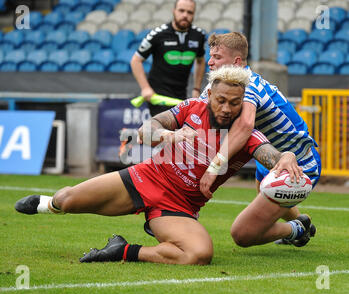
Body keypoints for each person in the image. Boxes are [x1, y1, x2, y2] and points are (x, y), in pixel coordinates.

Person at [14, 66, 311, 266]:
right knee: (67, 201)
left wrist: (283, 157)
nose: (226, 108)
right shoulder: (190, 108)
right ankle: (46, 204)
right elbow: (146, 130)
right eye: (221, 100)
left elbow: (268, 153)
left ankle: (123, 250)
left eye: (234, 103)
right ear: (209, 95)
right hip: (145, 178)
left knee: (199, 254)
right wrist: (169, 134)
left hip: (178, 207)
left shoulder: (247, 135)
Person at [199, 32, 321, 238]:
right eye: (210, 56)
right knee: (264, 205)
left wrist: (214, 168)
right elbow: (197, 114)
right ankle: (302, 223)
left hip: (299, 164)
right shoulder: (218, 85)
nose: (210, 62)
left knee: (243, 234)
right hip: (269, 161)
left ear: (236, 62)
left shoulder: (249, 85)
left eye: (217, 57)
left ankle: (297, 231)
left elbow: (245, 127)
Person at [130, 0, 206, 117]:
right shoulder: (157, 34)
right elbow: (136, 60)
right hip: (158, 97)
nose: (185, 15)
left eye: (189, 12)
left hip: (181, 96)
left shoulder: (199, 36)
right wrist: (145, 88)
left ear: (194, 14)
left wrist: (196, 88)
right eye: (181, 11)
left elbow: (200, 61)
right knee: (165, 132)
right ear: (174, 11)